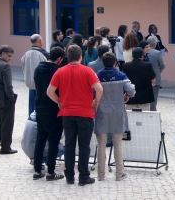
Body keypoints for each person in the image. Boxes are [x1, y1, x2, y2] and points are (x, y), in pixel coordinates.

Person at [47, 45, 103, 186]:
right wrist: (95, 101)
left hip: (67, 113)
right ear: (80, 56)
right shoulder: (87, 71)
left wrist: (59, 101)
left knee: (69, 145)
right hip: (85, 112)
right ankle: (84, 176)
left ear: (67, 56)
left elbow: (49, 91)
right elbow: (99, 88)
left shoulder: (60, 72)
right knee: (84, 146)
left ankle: (69, 176)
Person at [95, 52, 135, 181]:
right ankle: (119, 173)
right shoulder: (121, 75)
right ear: (114, 62)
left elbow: (92, 91)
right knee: (118, 142)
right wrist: (125, 95)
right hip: (117, 110)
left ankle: (101, 174)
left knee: (101, 143)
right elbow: (131, 90)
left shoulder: (97, 76)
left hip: (101, 112)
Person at [32, 46, 66, 181]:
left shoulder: (38, 69)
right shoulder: (57, 72)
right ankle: (51, 171)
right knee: (54, 140)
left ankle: (37, 169)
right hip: (53, 108)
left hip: (39, 105)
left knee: (40, 139)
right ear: (59, 59)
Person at [21, 34, 49, 116]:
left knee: (31, 108)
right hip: (41, 85)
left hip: (30, 84)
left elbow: (23, 67)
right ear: (40, 41)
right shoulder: (43, 54)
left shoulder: (26, 54)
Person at [147, 36, 165, 111]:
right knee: (154, 97)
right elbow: (162, 65)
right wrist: (159, 70)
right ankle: (152, 113)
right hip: (155, 77)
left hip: (145, 78)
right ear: (155, 44)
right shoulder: (157, 53)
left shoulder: (143, 52)